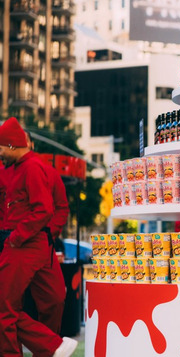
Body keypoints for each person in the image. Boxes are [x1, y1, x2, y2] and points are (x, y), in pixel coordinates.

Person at [0, 117, 77, 356]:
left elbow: (48, 208)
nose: (0, 154)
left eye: (1, 148)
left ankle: (50, 347)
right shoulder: (14, 168)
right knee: (9, 307)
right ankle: (51, 347)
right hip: (24, 240)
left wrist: (21, 236)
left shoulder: (33, 167)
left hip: (24, 241)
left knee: (10, 308)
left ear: (13, 145)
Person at [21, 130, 70, 335]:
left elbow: (61, 207)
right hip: (11, 244)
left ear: (31, 144)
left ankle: (46, 349)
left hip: (41, 244)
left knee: (55, 299)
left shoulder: (47, 171)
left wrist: (50, 233)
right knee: (9, 305)